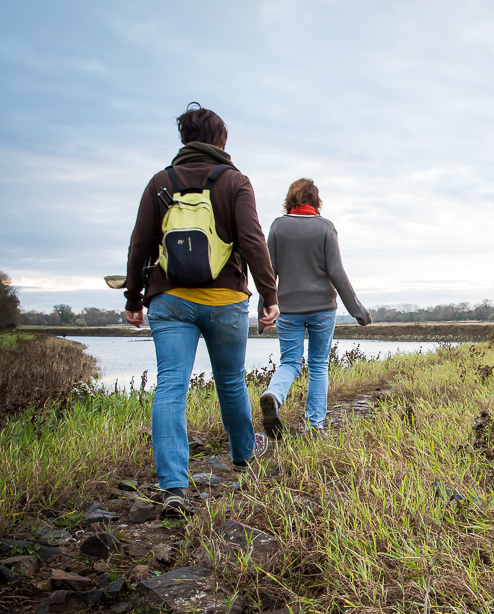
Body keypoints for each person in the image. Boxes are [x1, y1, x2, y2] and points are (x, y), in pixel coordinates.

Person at [124, 102, 279, 517]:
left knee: (171, 385)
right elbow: (253, 241)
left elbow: (140, 244)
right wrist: (269, 295)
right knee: (230, 382)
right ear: (221, 140)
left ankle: (173, 486)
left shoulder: (160, 182)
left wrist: (133, 298)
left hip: (169, 300)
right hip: (225, 300)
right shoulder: (234, 181)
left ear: (184, 140)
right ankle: (245, 459)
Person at [259, 178, 371, 437]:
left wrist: (263, 312)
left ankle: (274, 396)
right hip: (322, 308)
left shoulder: (278, 226)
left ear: (291, 199)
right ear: (316, 201)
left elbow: (269, 273)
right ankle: (314, 426)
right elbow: (336, 272)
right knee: (319, 364)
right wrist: (357, 309)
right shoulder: (325, 227)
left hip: (287, 308)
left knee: (289, 361)